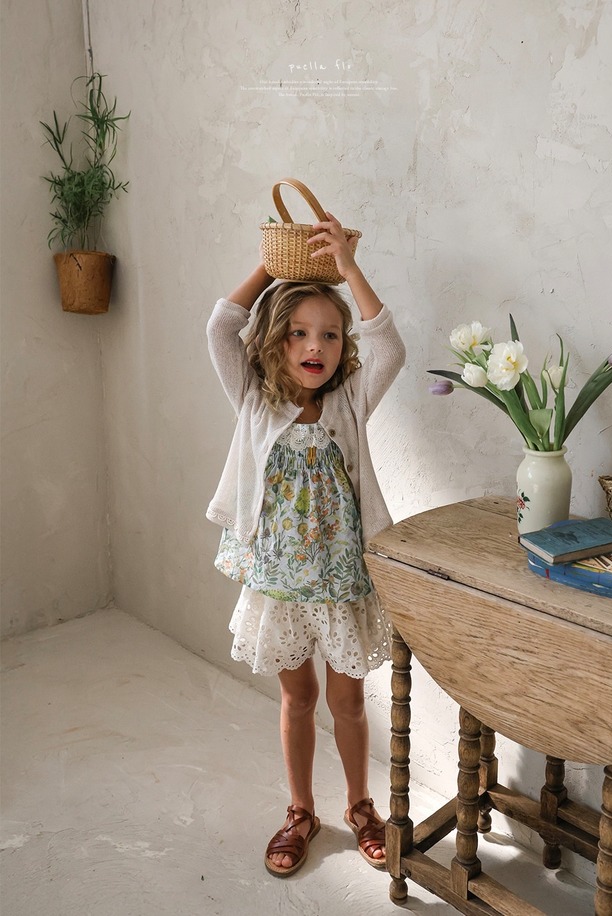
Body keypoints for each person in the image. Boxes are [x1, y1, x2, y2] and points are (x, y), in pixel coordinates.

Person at [205, 211, 406, 877]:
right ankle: (300, 811)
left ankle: (360, 807)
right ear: (276, 339)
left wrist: (347, 266)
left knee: (347, 702)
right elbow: (220, 327)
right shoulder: (254, 400)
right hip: (280, 583)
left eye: (329, 333)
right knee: (297, 700)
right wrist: (275, 265)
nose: (314, 345)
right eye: (298, 332)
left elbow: (390, 348)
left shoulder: (350, 402)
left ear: (342, 345)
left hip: (343, 581)